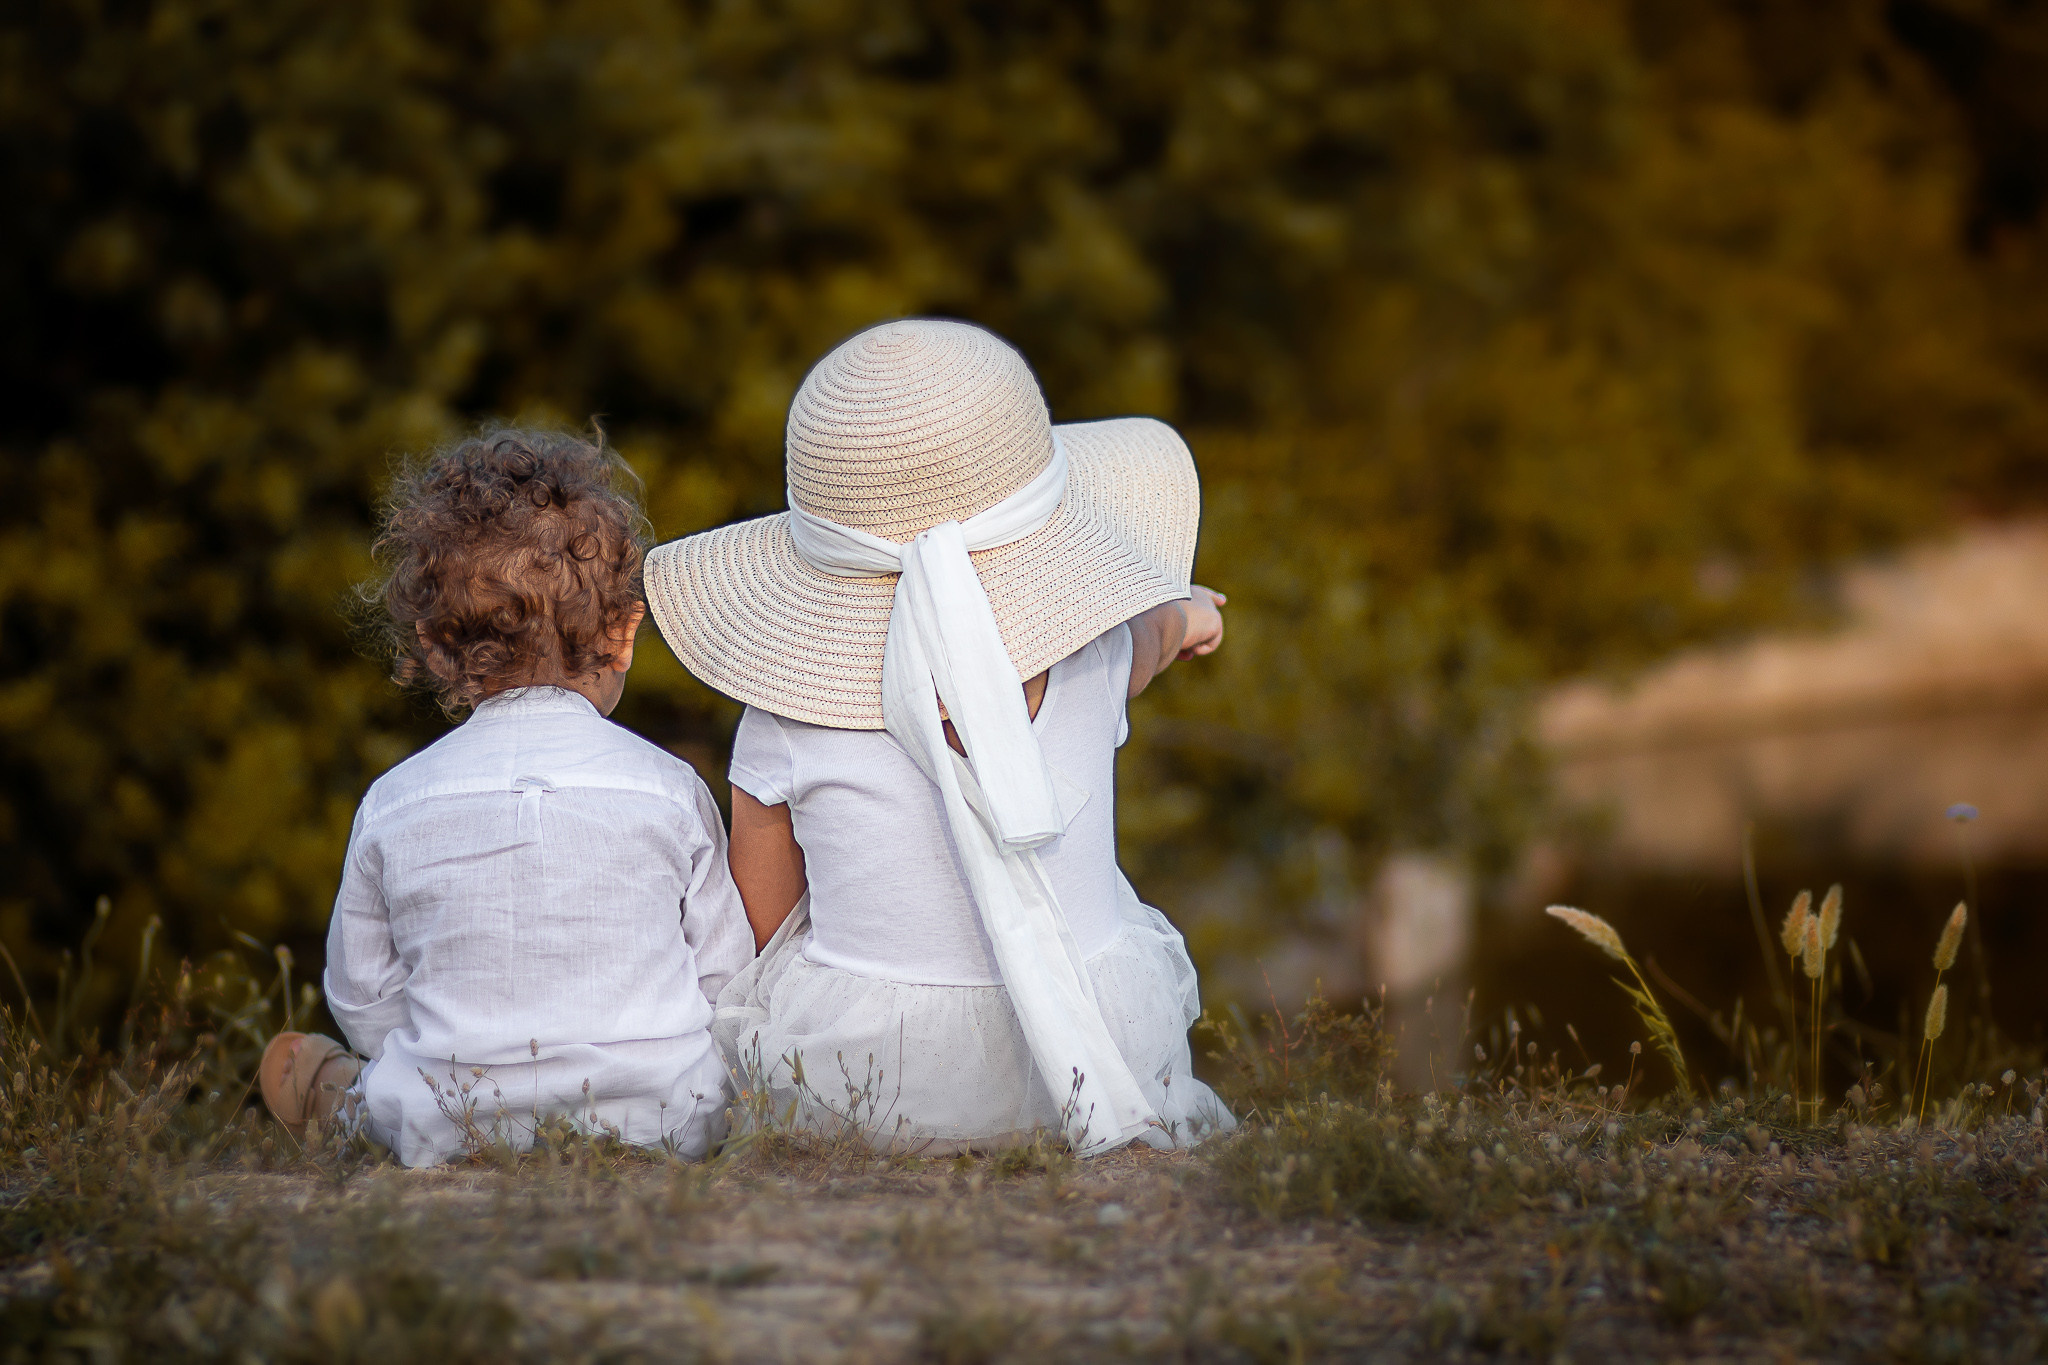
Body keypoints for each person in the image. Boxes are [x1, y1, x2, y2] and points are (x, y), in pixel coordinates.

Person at [644, 318, 1234, 1155]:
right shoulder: (1098, 647)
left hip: (874, 1082)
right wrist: (1190, 611)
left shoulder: (783, 710)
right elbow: (1150, 640)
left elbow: (767, 914)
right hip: (1090, 1052)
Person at [259, 430, 752, 1167]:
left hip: (446, 1124)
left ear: (431, 645)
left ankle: (342, 1096)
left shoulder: (394, 802)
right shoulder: (671, 790)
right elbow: (725, 979)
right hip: (668, 1122)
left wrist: (439, 1058)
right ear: (623, 634)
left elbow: (362, 996)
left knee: (360, 1074)